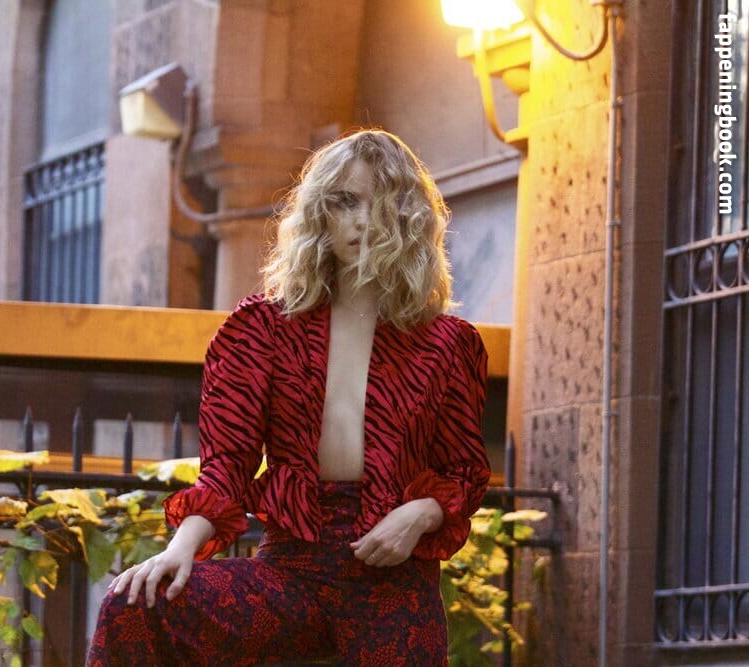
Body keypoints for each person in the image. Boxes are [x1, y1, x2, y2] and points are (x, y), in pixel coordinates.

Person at [85, 129, 492, 667]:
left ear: (408, 218)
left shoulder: (447, 344)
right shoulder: (262, 329)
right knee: (136, 604)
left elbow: (463, 472)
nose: (362, 221)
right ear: (321, 212)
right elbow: (226, 470)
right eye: (345, 202)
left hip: (394, 583)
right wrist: (178, 549)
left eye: (381, 204)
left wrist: (421, 513)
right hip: (291, 572)